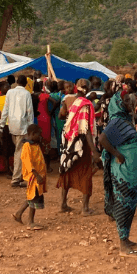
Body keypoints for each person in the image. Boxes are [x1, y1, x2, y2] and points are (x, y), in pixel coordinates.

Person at [100, 96, 137, 258]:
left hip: (130, 172)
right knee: (123, 203)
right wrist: (118, 154)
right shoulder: (116, 121)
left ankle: (126, 239)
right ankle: (123, 245)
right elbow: (102, 139)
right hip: (123, 172)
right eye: (126, 101)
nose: (130, 103)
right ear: (118, 104)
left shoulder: (125, 120)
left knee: (130, 203)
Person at [57, 79, 100, 215]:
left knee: (68, 171)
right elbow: (85, 129)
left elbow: (63, 117)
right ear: (87, 88)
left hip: (70, 144)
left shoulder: (74, 101)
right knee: (86, 173)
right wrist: (94, 150)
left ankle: (63, 204)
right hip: (82, 146)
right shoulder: (86, 105)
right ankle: (85, 208)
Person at [0, 75, 35, 188]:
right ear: (25, 84)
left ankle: (21, 176)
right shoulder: (26, 94)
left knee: (19, 151)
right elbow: (30, 112)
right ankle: (16, 179)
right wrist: (31, 127)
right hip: (22, 127)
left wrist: (1, 124)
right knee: (19, 152)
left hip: (12, 126)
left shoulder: (9, 93)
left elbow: (5, 109)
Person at [13, 125, 47, 230]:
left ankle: (18, 213)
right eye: (38, 135)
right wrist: (37, 175)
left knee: (31, 196)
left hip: (38, 176)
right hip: (34, 177)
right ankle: (30, 222)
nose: (40, 137)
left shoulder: (34, 145)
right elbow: (28, 162)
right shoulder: (27, 146)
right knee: (34, 198)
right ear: (32, 134)